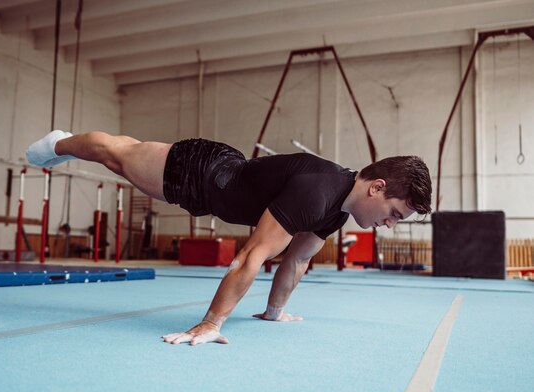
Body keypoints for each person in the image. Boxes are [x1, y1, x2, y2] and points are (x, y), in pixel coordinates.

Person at [26, 130, 432, 346]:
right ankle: (58, 143)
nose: (390, 224)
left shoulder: (335, 210)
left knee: (118, 159)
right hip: (198, 172)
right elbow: (250, 258)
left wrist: (275, 311)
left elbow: (297, 261)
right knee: (115, 153)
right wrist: (209, 323)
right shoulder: (317, 192)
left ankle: (65, 145)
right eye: (395, 215)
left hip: (222, 176)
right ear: (377, 187)